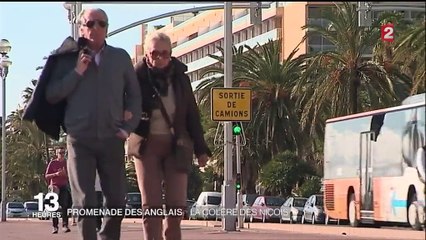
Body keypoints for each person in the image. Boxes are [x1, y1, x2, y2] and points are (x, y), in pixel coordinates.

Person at [45, 8, 142, 240]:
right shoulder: (67, 58)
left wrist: (127, 129)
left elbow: (135, 97)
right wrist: (77, 72)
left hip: (112, 139)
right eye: (90, 24)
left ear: (107, 28)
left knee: (117, 201)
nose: (95, 28)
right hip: (80, 141)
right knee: (85, 202)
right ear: (81, 27)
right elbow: (52, 94)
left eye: (101, 24)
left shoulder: (120, 58)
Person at [131, 32, 211, 240]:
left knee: (176, 205)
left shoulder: (180, 79)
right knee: (152, 206)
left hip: (177, 145)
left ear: (171, 54)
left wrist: (201, 150)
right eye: (154, 53)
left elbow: (192, 114)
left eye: (164, 53)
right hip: (145, 145)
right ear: (146, 54)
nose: (159, 58)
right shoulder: (135, 78)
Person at [45, 147, 71, 234]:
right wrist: (56, 174)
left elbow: (71, 177)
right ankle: (55, 227)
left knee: (65, 205)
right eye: (60, 153)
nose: (62, 154)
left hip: (63, 186)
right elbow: (47, 176)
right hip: (54, 186)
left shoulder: (67, 163)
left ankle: (65, 225)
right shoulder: (53, 163)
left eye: (63, 152)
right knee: (54, 207)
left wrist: (65, 174)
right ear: (57, 154)